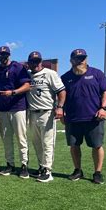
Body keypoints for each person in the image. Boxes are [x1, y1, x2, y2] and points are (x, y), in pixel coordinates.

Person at [61, 49, 106, 184]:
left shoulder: (97, 73)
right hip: (72, 118)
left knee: (97, 145)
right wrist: (61, 112)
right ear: (71, 61)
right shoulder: (65, 77)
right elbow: (61, 97)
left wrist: (103, 108)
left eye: (83, 58)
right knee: (74, 146)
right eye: (77, 58)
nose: (80, 61)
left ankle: (97, 172)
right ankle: (78, 170)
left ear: (86, 59)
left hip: (94, 117)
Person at [25, 51, 66, 182]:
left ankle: (48, 171)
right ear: (29, 63)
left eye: (37, 61)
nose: (35, 64)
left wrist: (60, 107)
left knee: (47, 143)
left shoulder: (50, 73)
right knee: (36, 143)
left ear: (41, 61)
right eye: (32, 61)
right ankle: (41, 167)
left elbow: (61, 91)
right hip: (32, 113)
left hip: (46, 112)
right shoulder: (27, 75)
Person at [0, 46, 31, 178]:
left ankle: (24, 164)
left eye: (5, 55)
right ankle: (10, 164)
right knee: (6, 139)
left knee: (21, 138)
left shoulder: (18, 67)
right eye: (1, 55)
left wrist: (13, 92)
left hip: (17, 107)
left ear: (9, 55)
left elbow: (27, 86)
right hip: (3, 109)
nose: (3, 57)